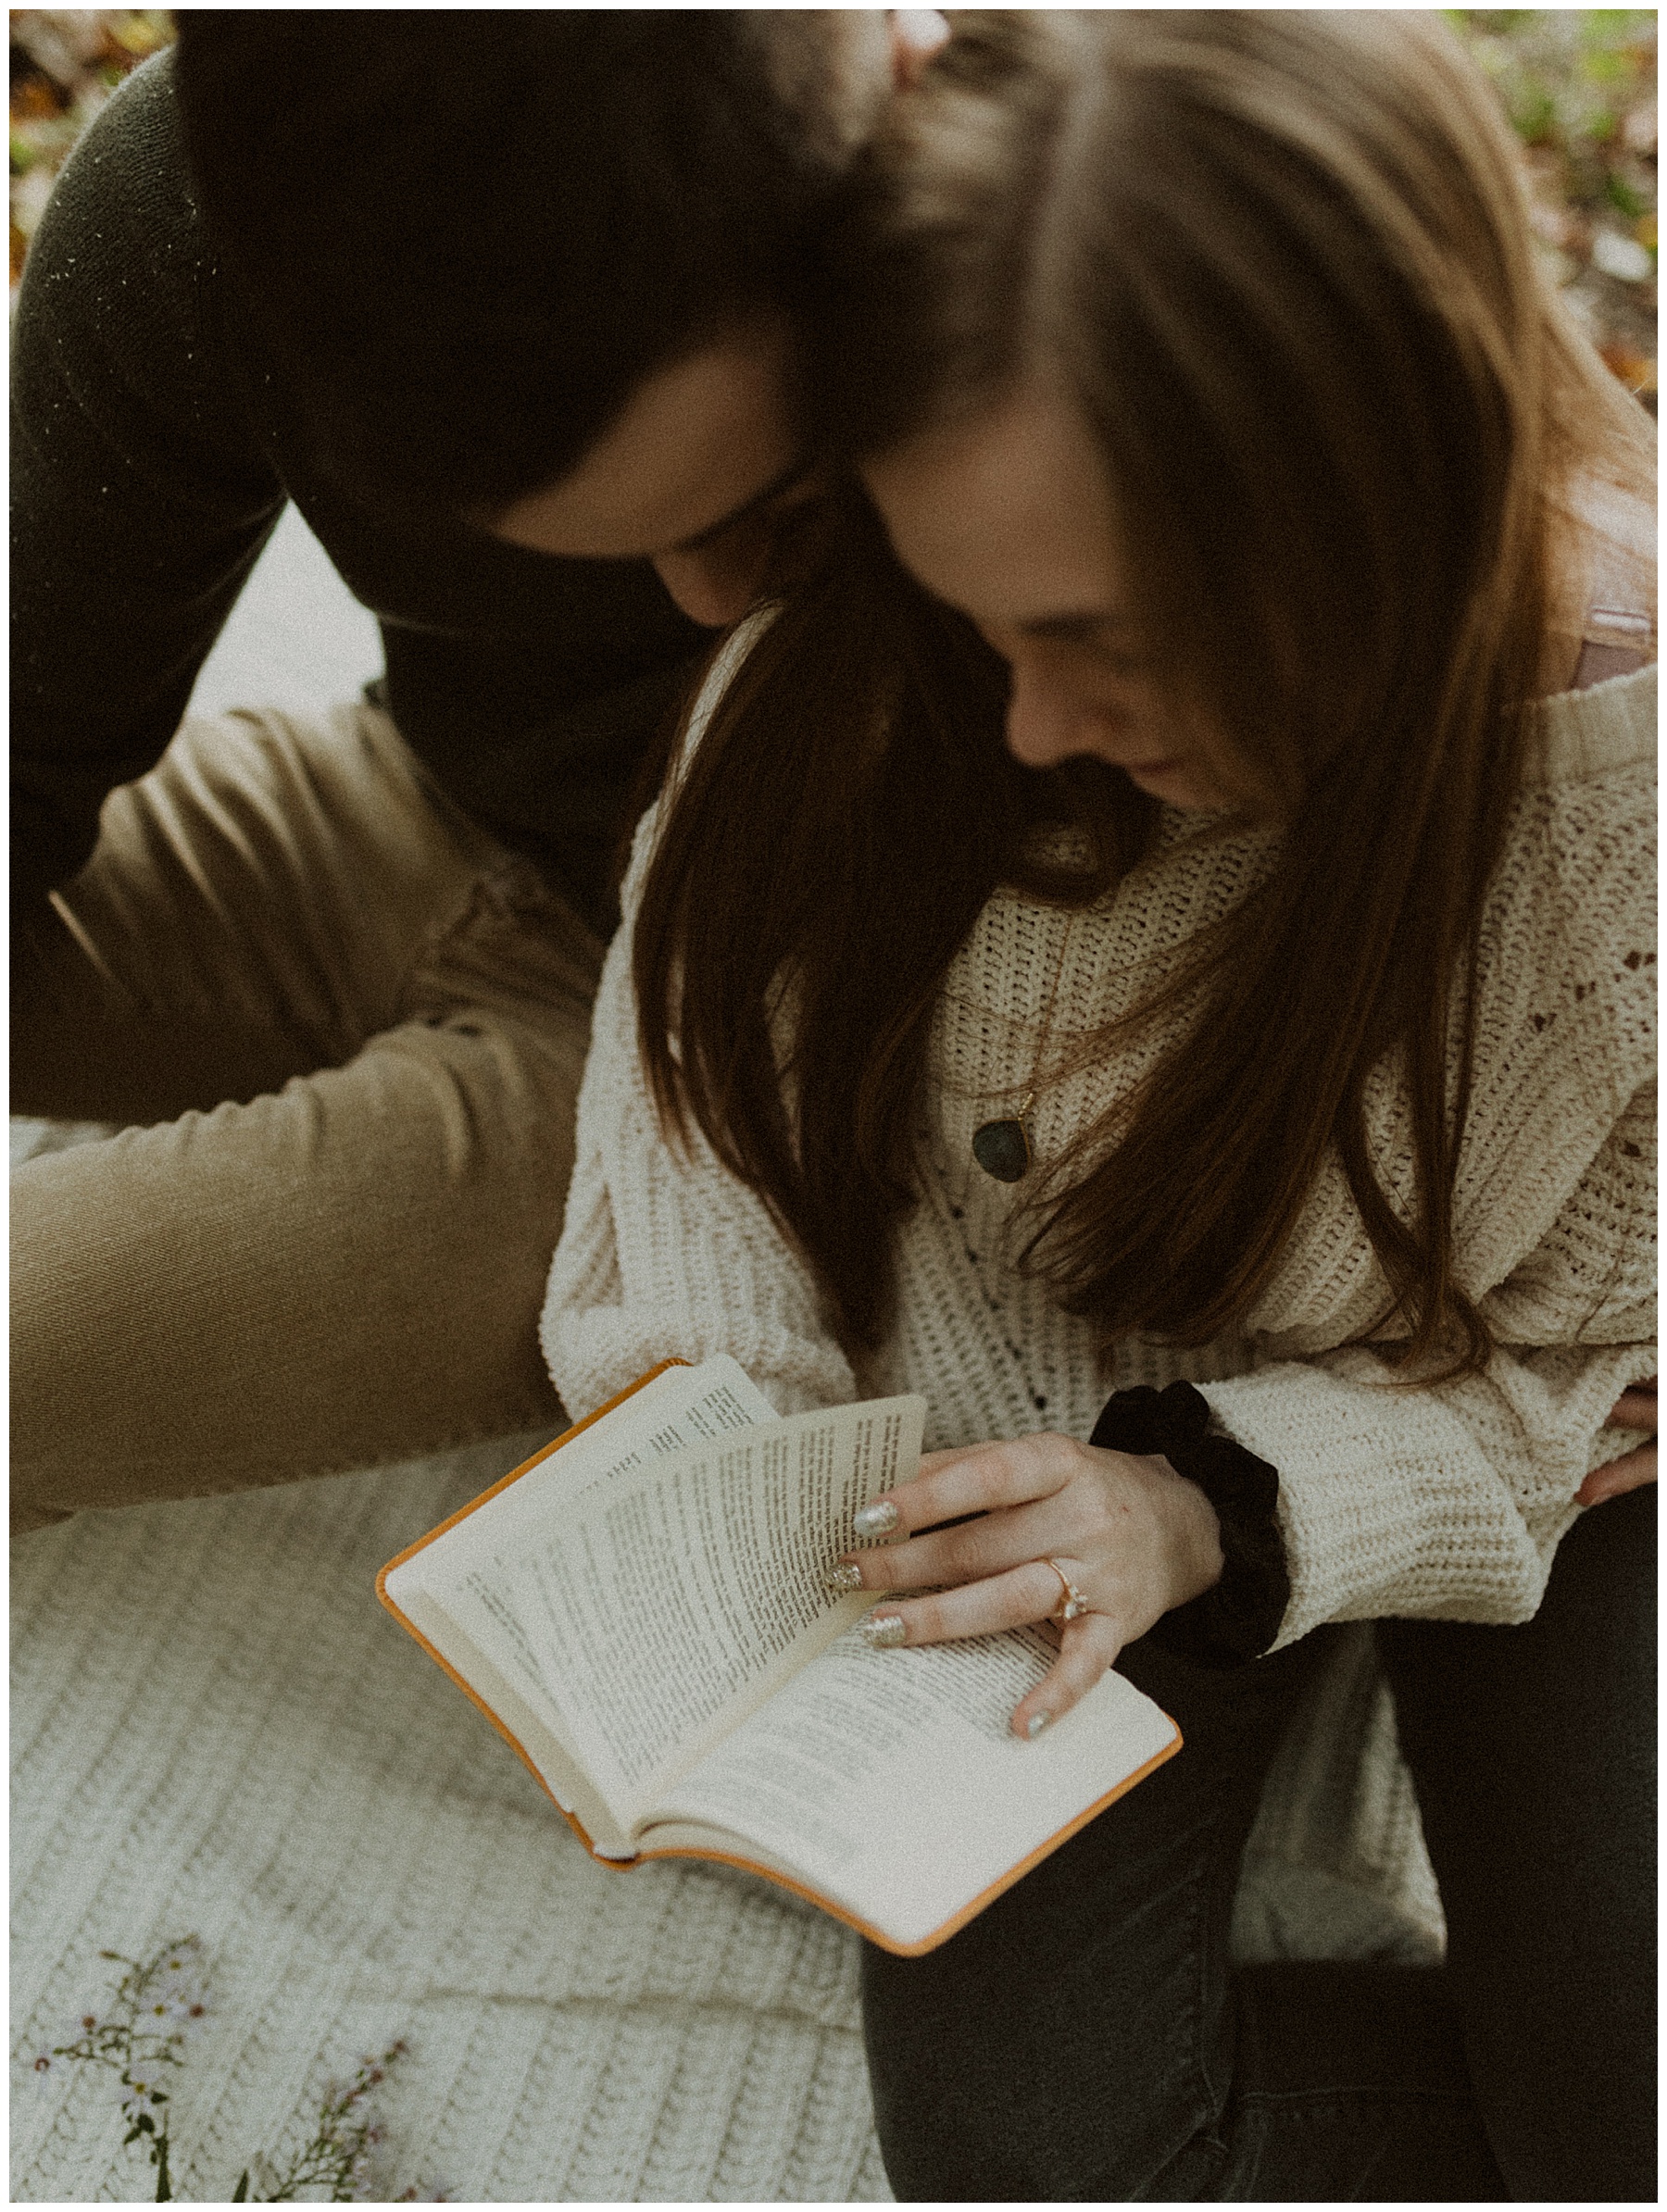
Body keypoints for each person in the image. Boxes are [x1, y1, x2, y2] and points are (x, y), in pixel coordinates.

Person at [539, 12, 1655, 2199]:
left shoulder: (1611, 841)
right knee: (1029, 2152)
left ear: (1374, 510)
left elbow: (1565, 1384)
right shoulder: (890, 661)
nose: (1035, 716)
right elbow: (693, 1077)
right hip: (1014, 1488)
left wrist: (1217, 1510)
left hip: (1475, 1437)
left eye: (1103, 633)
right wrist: (713, 1435)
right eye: (983, 627)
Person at [10, 10, 946, 1533]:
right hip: (414, 813)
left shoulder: (1068, 229)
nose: (711, 602)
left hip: (723, 1065)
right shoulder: (207, 209)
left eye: (774, 508)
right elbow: (28, 745)